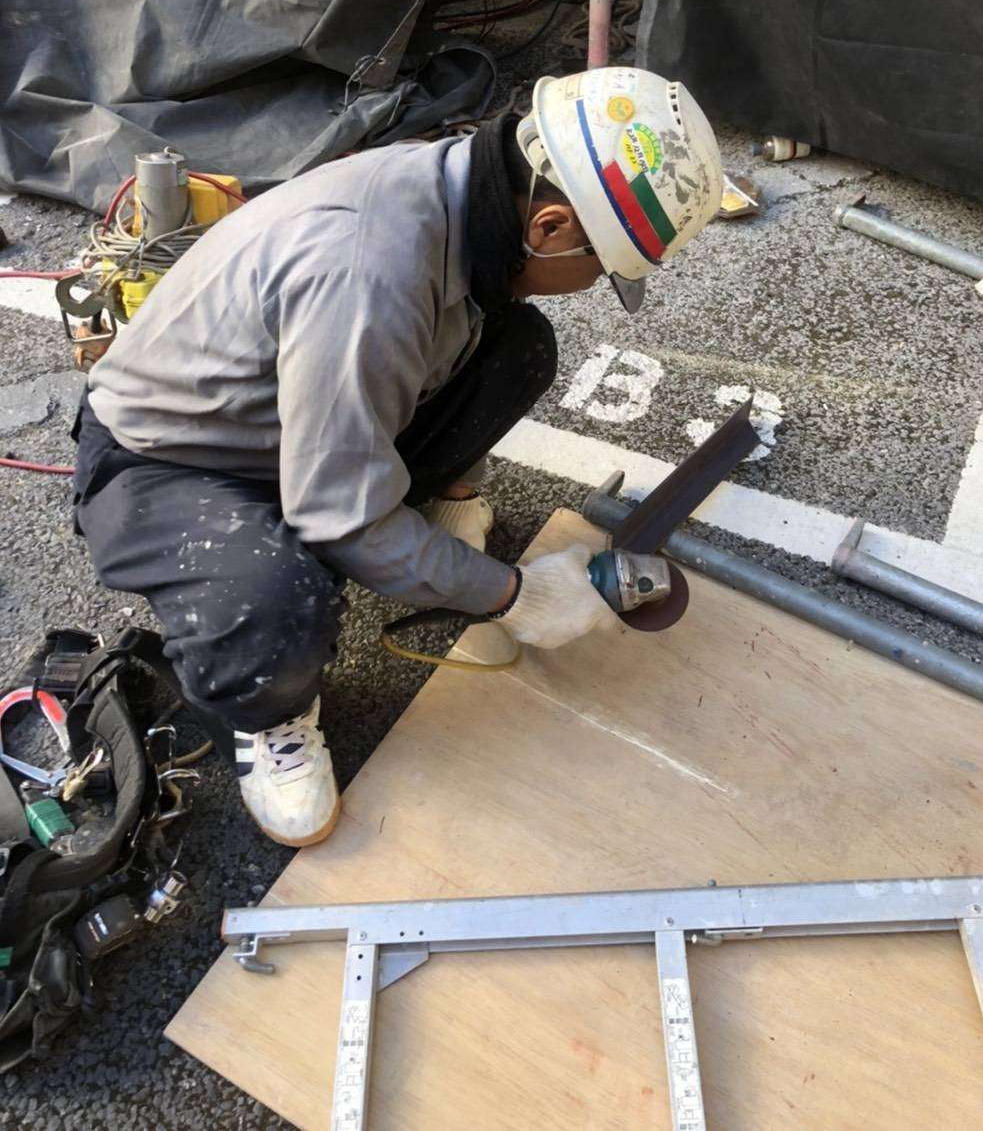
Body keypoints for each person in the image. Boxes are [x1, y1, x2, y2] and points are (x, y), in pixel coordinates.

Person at [71, 68, 724, 846]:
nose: (592, 284)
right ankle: (272, 717)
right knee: (277, 603)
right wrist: (514, 596)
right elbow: (336, 512)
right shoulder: (370, 276)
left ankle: (434, 514)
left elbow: (447, 339)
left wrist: (453, 524)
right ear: (549, 227)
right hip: (171, 460)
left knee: (518, 344)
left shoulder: (459, 193)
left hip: (294, 414)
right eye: (603, 268)